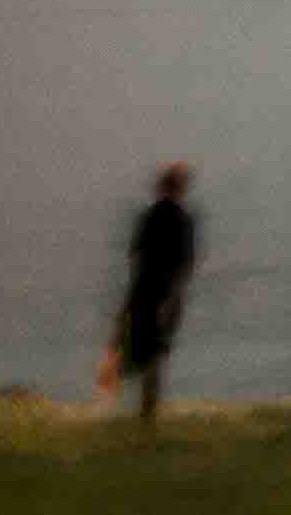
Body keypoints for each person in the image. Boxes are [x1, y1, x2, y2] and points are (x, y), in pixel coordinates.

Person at [112, 163, 197, 426]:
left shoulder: (150, 216)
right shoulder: (182, 219)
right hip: (167, 293)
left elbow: (135, 255)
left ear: (162, 187)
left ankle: (142, 411)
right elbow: (186, 264)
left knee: (141, 352)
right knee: (154, 356)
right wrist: (173, 298)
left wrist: (129, 300)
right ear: (181, 188)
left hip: (144, 289)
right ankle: (147, 413)